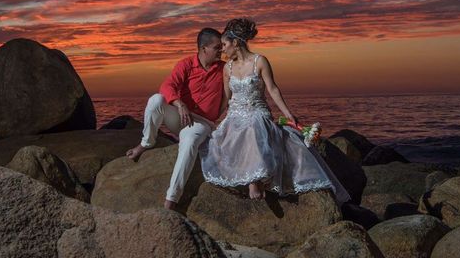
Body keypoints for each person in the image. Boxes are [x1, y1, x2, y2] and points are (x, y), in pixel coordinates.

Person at [200, 18, 350, 204]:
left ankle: (255, 181)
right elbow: (226, 98)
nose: (222, 49)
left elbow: (272, 89)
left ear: (236, 43)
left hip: (258, 111)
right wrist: (212, 119)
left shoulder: (260, 61)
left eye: (224, 44)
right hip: (235, 114)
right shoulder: (228, 68)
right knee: (221, 137)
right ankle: (251, 177)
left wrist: (287, 113)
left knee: (253, 127)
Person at [126, 28, 225, 210]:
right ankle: (147, 143)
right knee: (156, 100)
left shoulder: (224, 69)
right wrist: (179, 104)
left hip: (202, 123)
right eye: (217, 47)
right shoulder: (186, 64)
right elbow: (167, 85)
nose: (221, 51)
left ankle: (171, 200)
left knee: (189, 142)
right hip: (181, 115)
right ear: (204, 48)